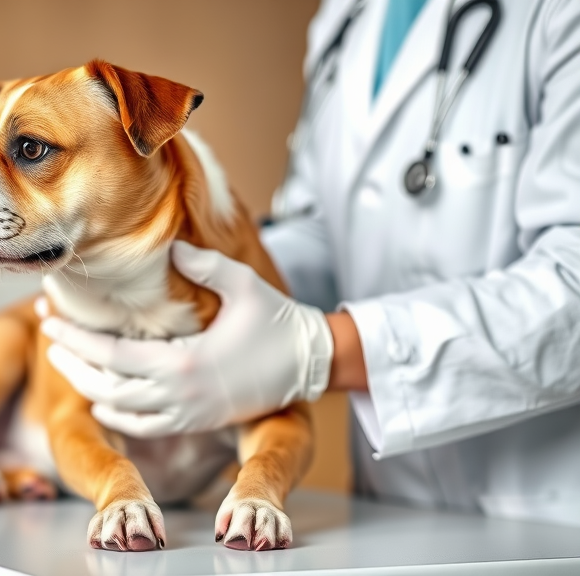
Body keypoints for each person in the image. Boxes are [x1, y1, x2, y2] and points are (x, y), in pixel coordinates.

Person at [40, 0, 580, 527]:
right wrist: (185, 292)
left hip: (548, 502)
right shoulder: (347, 15)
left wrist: (319, 348)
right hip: (390, 503)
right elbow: (323, 229)